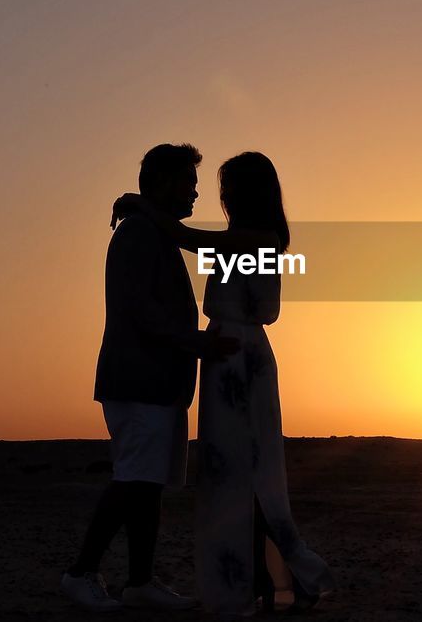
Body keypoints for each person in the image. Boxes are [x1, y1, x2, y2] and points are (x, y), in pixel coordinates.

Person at [114, 151, 334, 615]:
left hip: (238, 359)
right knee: (229, 470)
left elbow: (185, 236)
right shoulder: (244, 239)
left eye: (229, 187)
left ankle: (277, 578)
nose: (222, 196)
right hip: (225, 357)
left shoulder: (257, 238)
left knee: (247, 469)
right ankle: (258, 580)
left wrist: (138, 202)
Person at [61, 143, 239, 612]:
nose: (196, 193)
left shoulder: (153, 231)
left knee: (147, 484)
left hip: (157, 384)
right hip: (138, 381)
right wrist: (201, 344)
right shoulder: (139, 234)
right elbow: (138, 312)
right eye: (189, 182)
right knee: (133, 479)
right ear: (162, 182)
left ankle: (140, 581)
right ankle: (81, 573)